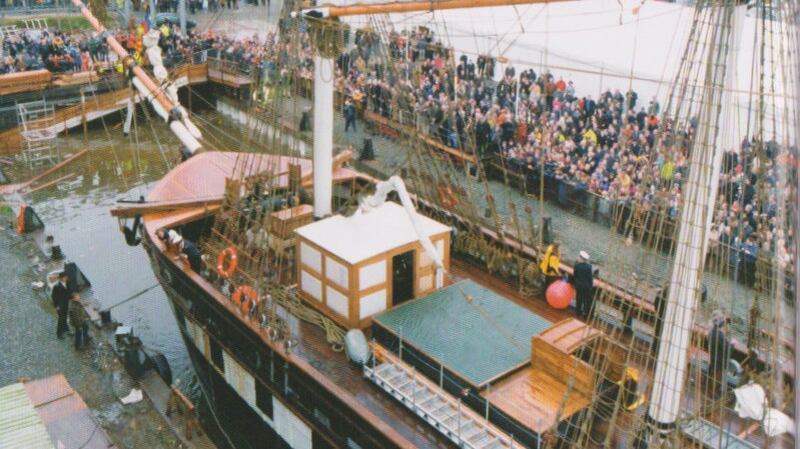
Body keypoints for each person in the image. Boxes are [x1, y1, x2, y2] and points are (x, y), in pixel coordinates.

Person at [708, 309, 734, 399]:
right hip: (719, 360)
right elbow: (726, 348)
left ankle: (713, 390)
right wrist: (732, 345)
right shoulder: (719, 335)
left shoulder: (711, 332)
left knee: (713, 373)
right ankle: (713, 392)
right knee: (717, 376)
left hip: (713, 357)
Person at [572, 251, 594, 320]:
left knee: (579, 299)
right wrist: (590, 286)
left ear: (581, 258)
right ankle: (585, 314)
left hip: (579, 285)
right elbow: (590, 278)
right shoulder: (589, 267)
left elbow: (575, 275)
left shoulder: (577, 266)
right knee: (586, 301)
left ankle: (578, 312)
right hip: (586, 286)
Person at [52, 272, 72, 339]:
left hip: (66, 304)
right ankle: (59, 333)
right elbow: (54, 297)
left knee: (65, 317)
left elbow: (68, 292)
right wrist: (56, 306)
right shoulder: (56, 286)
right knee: (61, 319)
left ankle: (66, 329)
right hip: (60, 306)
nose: (66, 278)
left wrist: (71, 297)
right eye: (65, 277)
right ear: (61, 278)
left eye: (66, 277)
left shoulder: (67, 283)